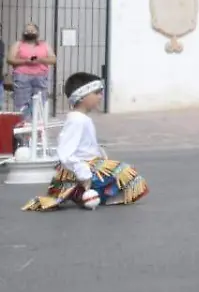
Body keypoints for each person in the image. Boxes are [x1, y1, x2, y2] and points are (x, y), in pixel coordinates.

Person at [23, 72, 148, 212]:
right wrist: (84, 174)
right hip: (82, 169)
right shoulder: (77, 121)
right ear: (82, 97)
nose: (101, 96)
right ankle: (84, 191)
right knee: (126, 172)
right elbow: (65, 152)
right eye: (97, 93)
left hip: (88, 165)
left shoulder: (80, 118)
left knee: (126, 174)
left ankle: (85, 193)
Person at [8, 23, 56, 119]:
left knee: (40, 102)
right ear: (23, 33)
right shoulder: (18, 44)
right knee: (21, 104)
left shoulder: (45, 44)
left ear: (37, 32)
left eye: (32, 30)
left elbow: (53, 59)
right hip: (22, 76)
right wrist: (25, 61)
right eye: (27, 30)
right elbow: (9, 59)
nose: (30, 32)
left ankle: (37, 128)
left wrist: (40, 59)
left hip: (41, 77)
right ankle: (23, 127)